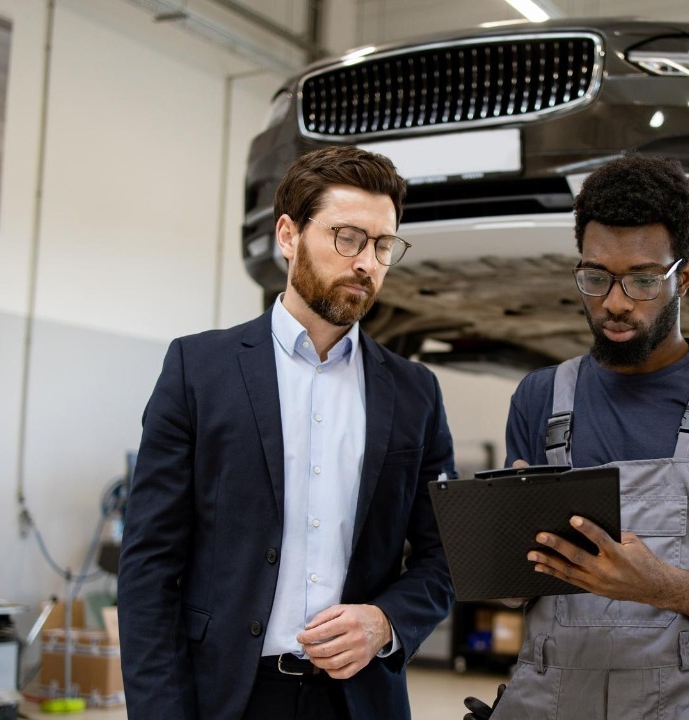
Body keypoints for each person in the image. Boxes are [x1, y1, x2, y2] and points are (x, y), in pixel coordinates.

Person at [118, 145, 456, 720]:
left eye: (382, 246)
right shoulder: (198, 370)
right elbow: (150, 566)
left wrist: (386, 622)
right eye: (347, 237)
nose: (366, 263)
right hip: (229, 697)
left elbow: (444, 554)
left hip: (359, 700)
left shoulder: (413, 391)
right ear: (288, 235)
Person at [475, 154, 689, 719]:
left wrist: (663, 586)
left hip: (687, 706)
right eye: (595, 277)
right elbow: (517, 592)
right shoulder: (539, 398)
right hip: (548, 702)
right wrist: (500, 554)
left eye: (643, 280)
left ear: (683, 276)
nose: (615, 302)